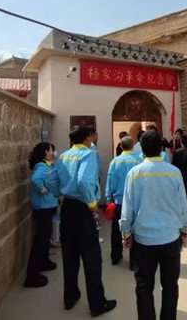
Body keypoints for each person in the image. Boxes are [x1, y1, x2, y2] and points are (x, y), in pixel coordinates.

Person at [120, 130, 187, 320]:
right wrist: (185, 229)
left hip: (143, 242)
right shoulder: (174, 172)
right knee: (170, 287)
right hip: (170, 239)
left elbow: (127, 209)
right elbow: (183, 205)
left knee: (144, 288)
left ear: (141, 150)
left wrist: (126, 234)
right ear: (161, 148)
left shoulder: (134, 174)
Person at [54, 126, 117, 317]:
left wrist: (60, 194)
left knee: (69, 257)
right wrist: (92, 205)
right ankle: (97, 304)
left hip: (67, 208)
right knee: (92, 259)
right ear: (88, 138)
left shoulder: (64, 156)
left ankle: (70, 297)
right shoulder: (88, 155)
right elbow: (84, 181)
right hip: (83, 209)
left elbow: (54, 181)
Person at [24, 142, 59, 288]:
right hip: (43, 207)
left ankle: (44, 262)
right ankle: (32, 276)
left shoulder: (48, 165)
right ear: (45, 152)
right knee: (40, 240)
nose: (53, 153)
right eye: (51, 150)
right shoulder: (41, 167)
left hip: (48, 206)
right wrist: (43, 189)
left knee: (45, 238)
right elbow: (36, 179)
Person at [105, 136, 141, 267]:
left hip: (118, 201)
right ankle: (134, 262)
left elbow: (110, 181)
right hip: (135, 201)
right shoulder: (139, 161)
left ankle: (115, 256)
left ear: (121, 146)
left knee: (116, 230)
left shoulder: (115, 161)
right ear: (133, 146)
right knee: (134, 230)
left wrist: (108, 198)